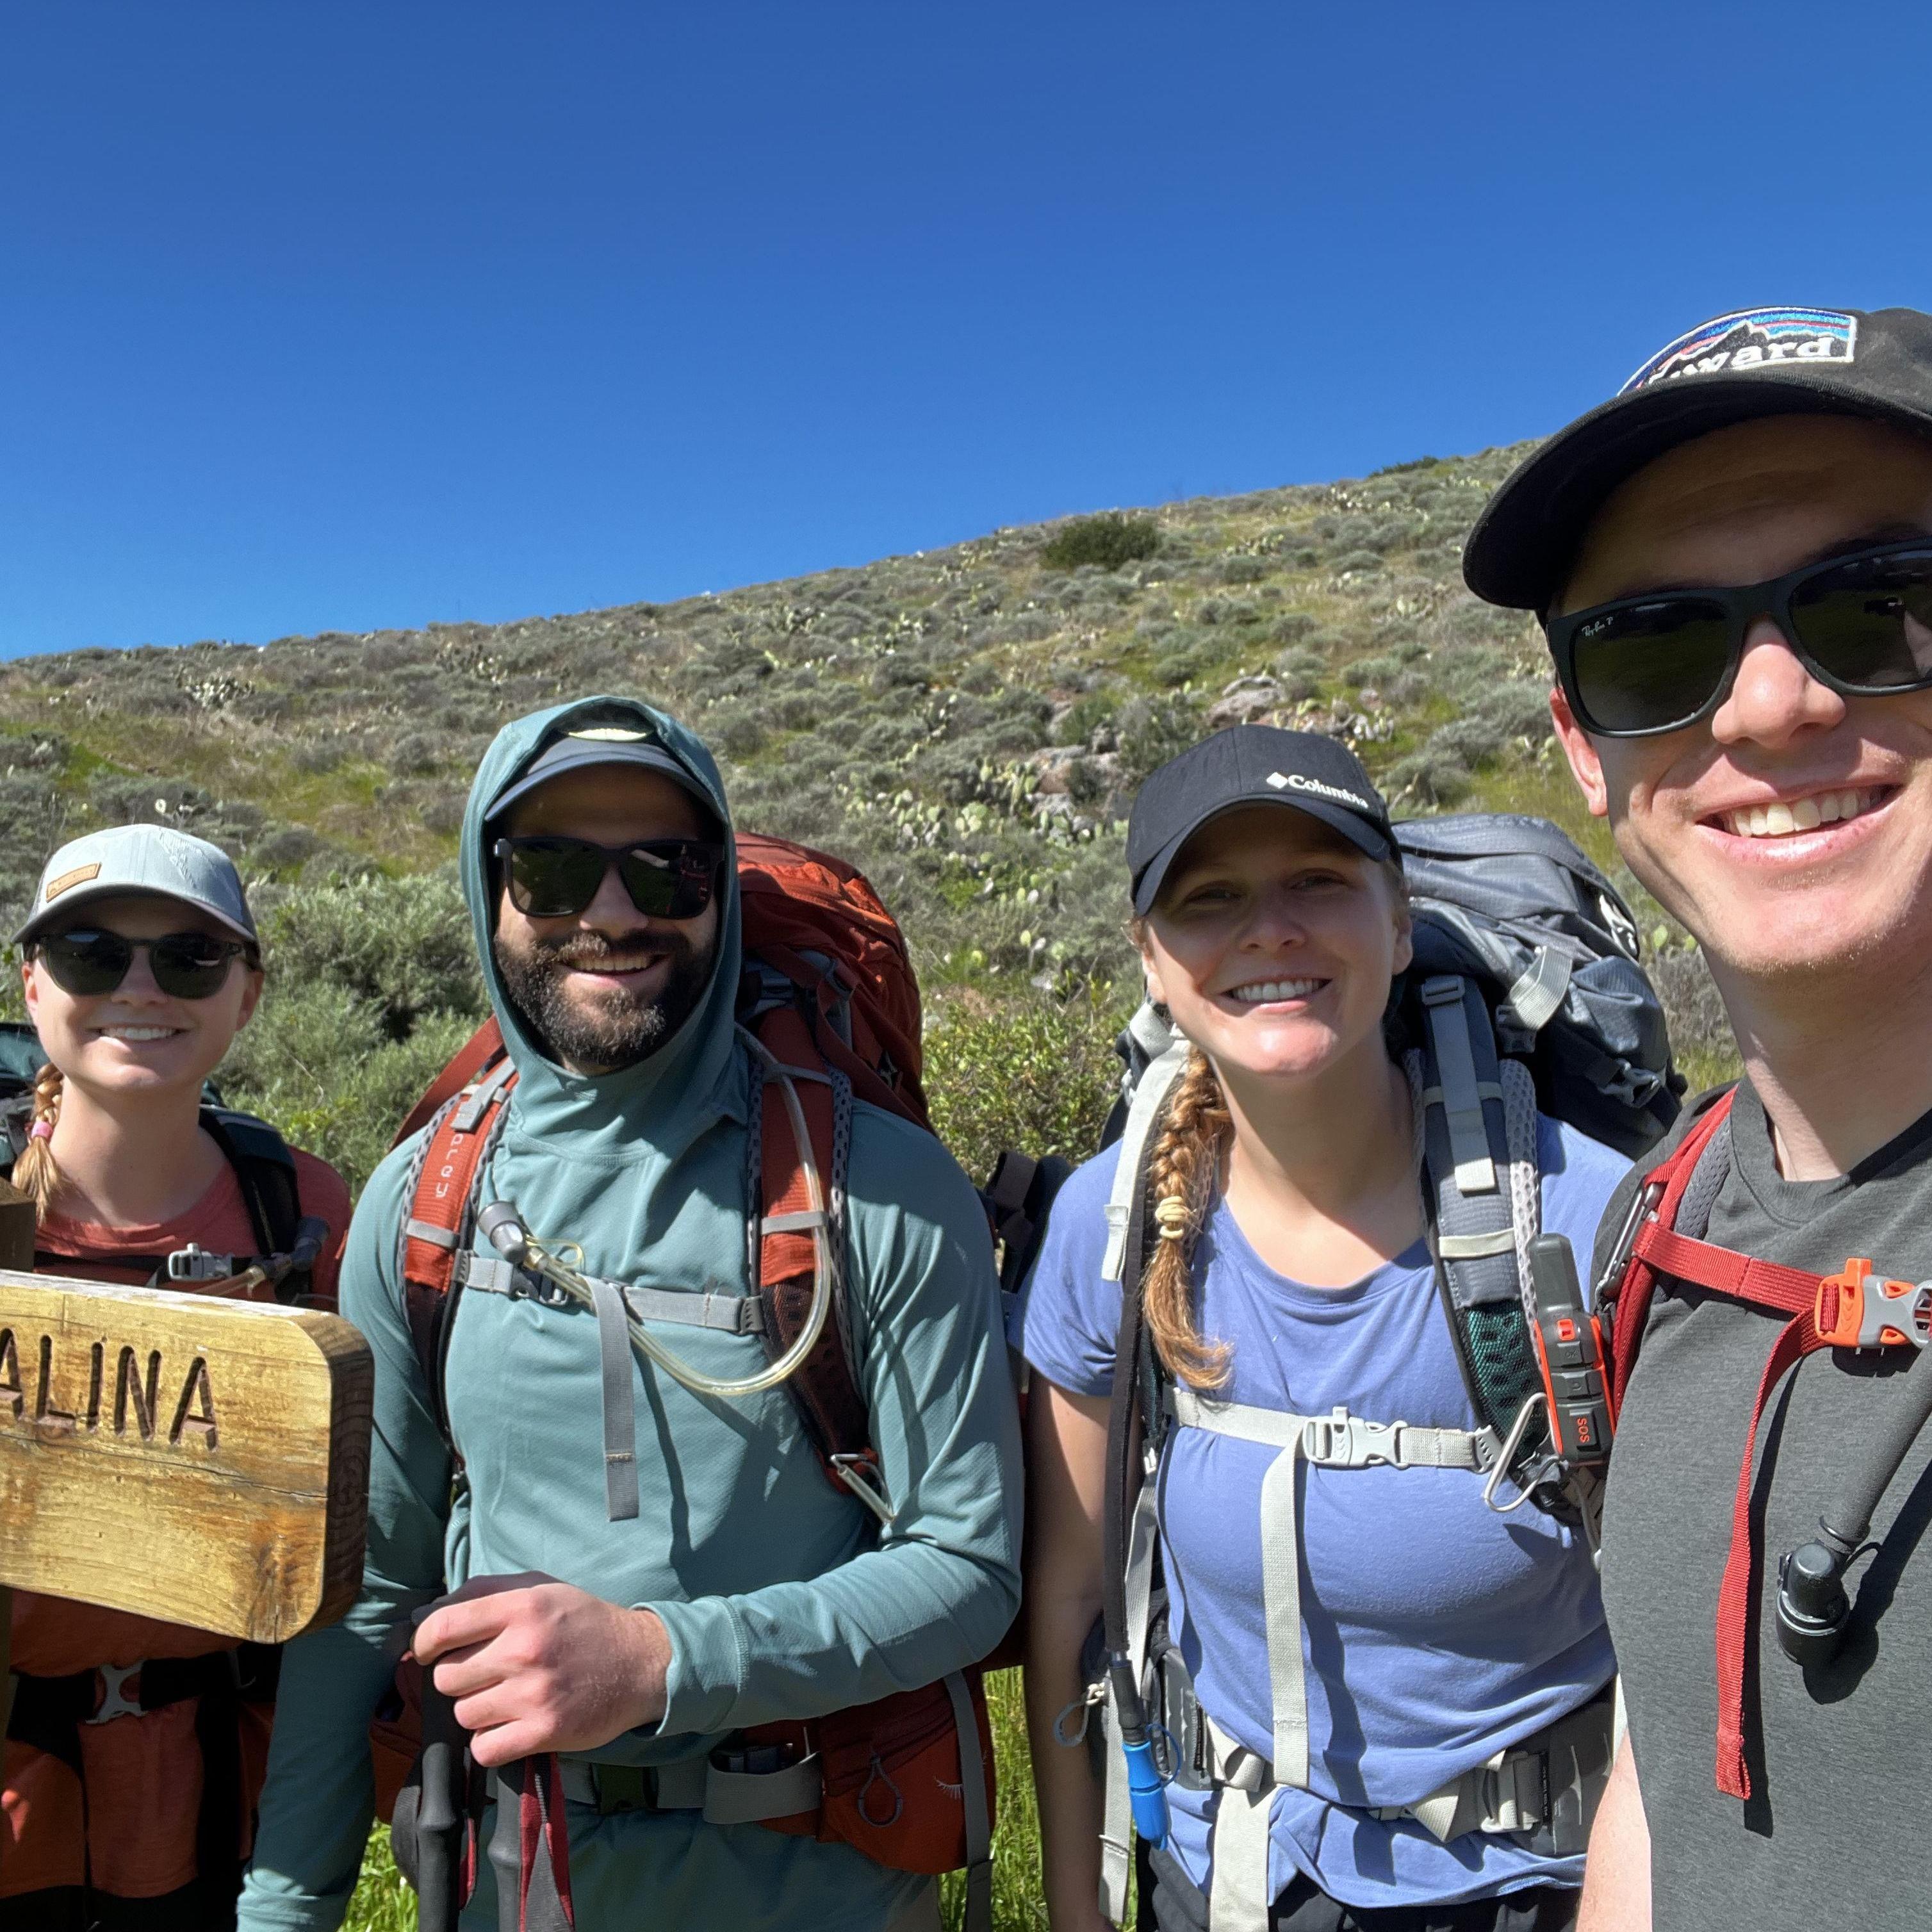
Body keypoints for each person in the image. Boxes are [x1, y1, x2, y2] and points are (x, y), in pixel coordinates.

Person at [238, 696, 1021, 1932]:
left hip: (819, 1888)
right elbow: (372, 1585)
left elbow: (967, 1566)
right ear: (486, 893)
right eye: (549, 869)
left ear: (721, 890)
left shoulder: (877, 1187)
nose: (610, 914)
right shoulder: (425, 1202)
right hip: (505, 1875)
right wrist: (285, 1910)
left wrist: (659, 1663)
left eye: (667, 865)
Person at [1462, 304, 1932, 1932]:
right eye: (1658, 644)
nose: (1768, 705)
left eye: (1884, 601)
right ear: (1584, 752)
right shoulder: (1658, 1218)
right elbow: (1668, 1776)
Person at [1013, 726, 1632, 1932]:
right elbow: (1070, 1599)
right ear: (1152, 959)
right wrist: (1079, 1909)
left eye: (1318, 881)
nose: (1270, 931)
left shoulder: (1581, 1219)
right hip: (1229, 1878)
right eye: (1212, 900)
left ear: (1398, 926)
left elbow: (1681, 1643)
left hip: (1535, 1895)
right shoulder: (1119, 1223)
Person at [1, 823, 351, 1932]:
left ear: (247, 994)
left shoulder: (304, 1214)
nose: (140, 987)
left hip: (221, 1793)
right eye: (94, 954)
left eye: (190, 957)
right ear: (33, 985)